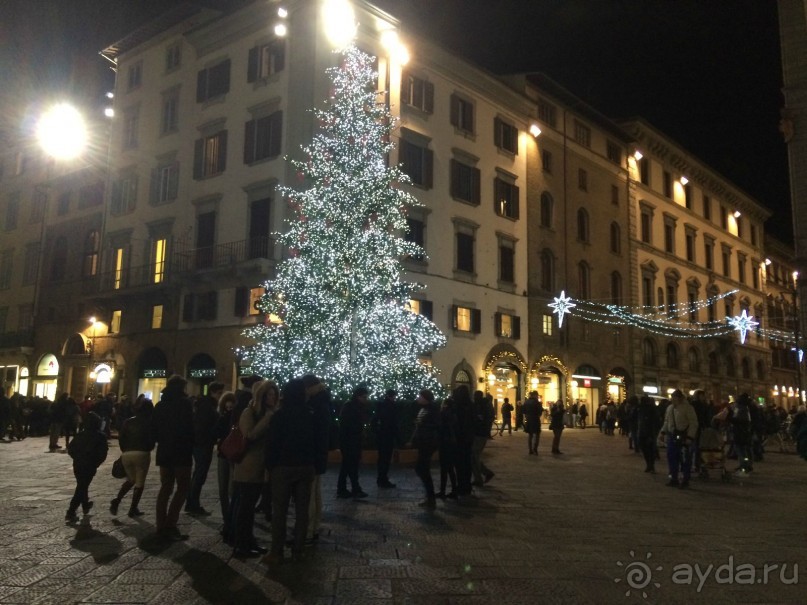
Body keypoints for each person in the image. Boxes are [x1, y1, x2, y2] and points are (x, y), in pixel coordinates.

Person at [265, 378, 317, 564]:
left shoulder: (280, 415)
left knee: (280, 511)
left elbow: (273, 443)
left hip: (283, 466)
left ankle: (276, 552)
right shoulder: (310, 414)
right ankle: (298, 550)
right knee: (302, 511)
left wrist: (270, 466)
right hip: (305, 466)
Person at [232, 379, 276, 557]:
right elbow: (249, 435)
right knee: (246, 507)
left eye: (275, 394)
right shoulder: (249, 412)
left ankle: (250, 541)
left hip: (262, 467)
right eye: (270, 394)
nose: (273, 398)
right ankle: (241, 545)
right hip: (248, 467)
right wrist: (267, 419)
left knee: (250, 508)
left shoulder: (269, 413)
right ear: (262, 396)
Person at [153, 375, 195, 541]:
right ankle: (170, 524)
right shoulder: (185, 405)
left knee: (166, 487)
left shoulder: (160, 405)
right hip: (181, 451)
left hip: (164, 451)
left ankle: (160, 525)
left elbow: (154, 428)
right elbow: (190, 427)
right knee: (183, 487)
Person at [110, 397, 155, 517]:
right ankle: (133, 508)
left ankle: (117, 500)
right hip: (142, 453)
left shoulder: (128, 421)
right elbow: (151, 439)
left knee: (131, 479)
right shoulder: (149, 422)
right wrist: (148, 447)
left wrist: (124, 450)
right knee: (139, 483)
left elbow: (122, 437)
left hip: (127, 453)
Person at [185, 381, 224, 516]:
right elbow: (206, 427)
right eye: (219, 393)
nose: (220, 396)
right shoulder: (208, 407)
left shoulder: (203, 405)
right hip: (203, 444)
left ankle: (190, 502)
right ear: (213, 392)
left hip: (199, 443)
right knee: (200, 474)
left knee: (198, 474)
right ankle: (193, 503)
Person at [302, 374, 331, 546]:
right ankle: (313, 528)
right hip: (319, 455)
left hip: (313, 455)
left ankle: (307, 531)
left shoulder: (316, 405)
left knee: (310, 494)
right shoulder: (323, 401)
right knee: (316, 493)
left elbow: (316, 432)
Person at [65, 412, 108, 522]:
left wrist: (77, 458)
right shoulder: (100, 436)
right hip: (90, 465)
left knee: (82, 484)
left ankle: (85, 505)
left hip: (78, 464)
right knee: (82, 487)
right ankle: (71, 511)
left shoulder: (80, 435)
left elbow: (71, 449)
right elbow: (102, 453)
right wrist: (96, 462)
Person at [658, 389, 699, 488]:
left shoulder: (688, 408)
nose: (673, 399)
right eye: (672, 397)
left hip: (684, 436)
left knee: (685, 459)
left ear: (680, 398)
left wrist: (690, 437)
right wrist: (662, 432)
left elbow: (693, 423)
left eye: (675, 397)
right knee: (672, 457)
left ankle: (685, 480)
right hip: (672, 436)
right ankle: (674, 478)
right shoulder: (670, 408)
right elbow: (667, 422)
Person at [336, 386, 369, 499]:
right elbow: (348, 425)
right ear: (358, 396)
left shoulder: (353, 406)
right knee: (350, 466)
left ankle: (345, 488)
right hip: (350, 441)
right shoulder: (352, 407)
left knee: (348, 466)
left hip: (352, 440)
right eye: (364, 397)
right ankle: (352, 488)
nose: (366, 399)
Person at [411, 389, 440, 510]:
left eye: (420, 396)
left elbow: (435, 425)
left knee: (422, 468)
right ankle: (429, 496)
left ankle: (430, 497)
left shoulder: (432, 410)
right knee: (422, 469)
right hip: (423, 442)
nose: (418, 398)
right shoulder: (424, 409)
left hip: (428, 442)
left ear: (425, 398)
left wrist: (422, 424)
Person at [214, 391, 237, 536]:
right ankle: (229, 520)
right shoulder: (230, 418)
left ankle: (229, 520)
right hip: (230, 456)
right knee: (228, 489)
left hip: (227, 455)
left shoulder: (223, 418)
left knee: (227, 489)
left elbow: (215, 432)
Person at [372, 389, 398, 488]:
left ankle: (381, 479)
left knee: (382, 459)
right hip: (388, 436)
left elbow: (374, 421)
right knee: (385, 460)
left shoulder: (380, 406)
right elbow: (393, 423)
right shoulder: (391, 406)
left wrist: (377, 432)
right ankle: (383, 479)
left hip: (381, 436)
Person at [452, 386, 475, 496]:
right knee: (466, 463)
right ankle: (466, 486)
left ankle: (462, 485)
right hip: (467, 439)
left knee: (461, 464)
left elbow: (458, 424)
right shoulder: (470, 405)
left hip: (460, 439)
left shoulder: (458, 407)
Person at [470, 391, 495, 486]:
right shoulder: (478, 405)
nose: (474, 397)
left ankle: (480, 477)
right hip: (478, 433)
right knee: (473, 457)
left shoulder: (483, 406)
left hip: (480, 434)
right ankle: (484, 474)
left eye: (476, 396)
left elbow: (486, 419)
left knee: (474, 456)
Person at [436, 396, 458, 499]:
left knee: (444, 468)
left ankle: (443, 491)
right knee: (450, 469)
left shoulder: (444, 413)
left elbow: (440, 427)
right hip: (452, 442)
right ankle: (454, 490)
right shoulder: (454, 413)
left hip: (445, 442)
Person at [729, 393, 754, 473]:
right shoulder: (746, 407)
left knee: (741, 451)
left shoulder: (742, 408)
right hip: (745, 432)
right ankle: (746, 465)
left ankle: (744, 467)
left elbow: (741, 421)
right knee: (744, 450)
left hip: (740, 432)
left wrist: (731, 419)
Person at [636, 395, 660, 473]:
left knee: (649, 450)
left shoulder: (651, 409)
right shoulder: (640, 409)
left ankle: (651, 465)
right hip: (643, 432)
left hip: (648, 432)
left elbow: (654, 421)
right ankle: (649, 465)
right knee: (646, 450)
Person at [522, 391, 543, 455]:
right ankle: (535, 449)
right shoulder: (537, 402)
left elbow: (523, 411)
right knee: (537, 435)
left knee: (530, 435)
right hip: (536, 420)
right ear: (535, 395)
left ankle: (530, 450)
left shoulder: (526, 402)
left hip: (529, 420)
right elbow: (540, 412)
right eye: (537, 395)